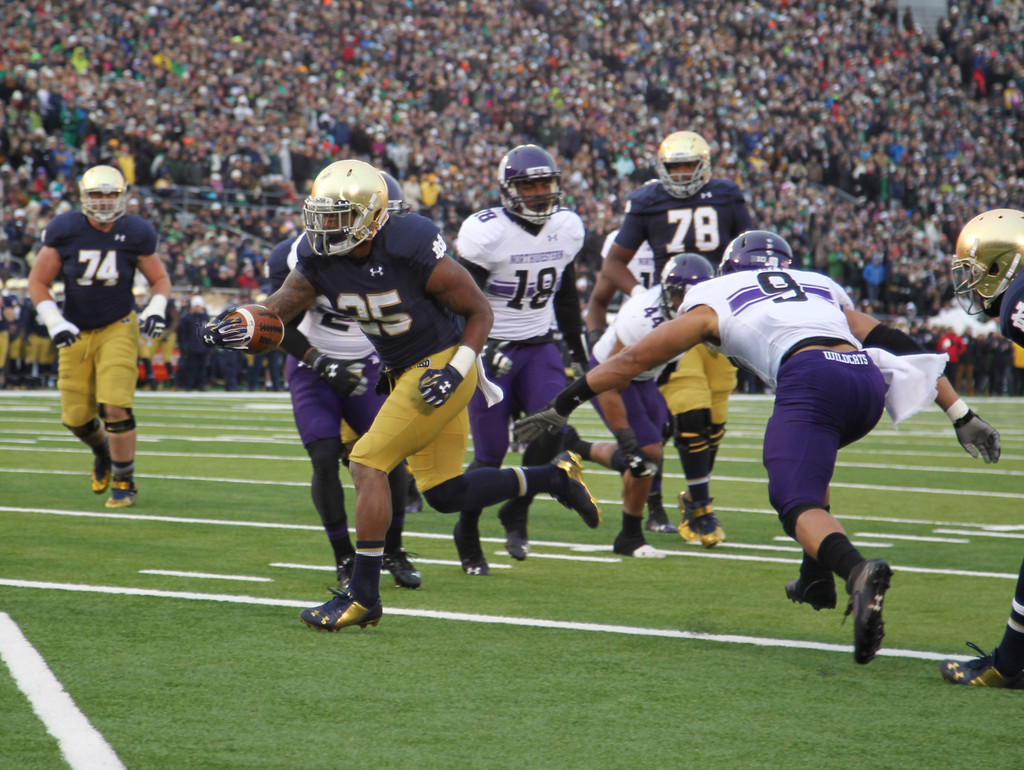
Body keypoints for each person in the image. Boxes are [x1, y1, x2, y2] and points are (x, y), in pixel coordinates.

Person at [515, 229, 1000, 665]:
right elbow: (894, 342)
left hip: (811, 376)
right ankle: (814, 577)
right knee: (812, 465)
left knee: (793, 499)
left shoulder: (713, 296)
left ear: (730, 269)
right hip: (865, 381)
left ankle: (856, 573)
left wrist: (564, 403)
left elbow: (636, 357)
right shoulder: (817, 284)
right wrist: (963, 414)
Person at [202, 159, 601, 632]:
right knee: (446, 494)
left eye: (338, 216)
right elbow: (279, 309)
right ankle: (554, 477)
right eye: (321, 215)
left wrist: (457, 369)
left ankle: (364, 596)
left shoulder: (408, 241)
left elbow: (478, 312)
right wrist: (244, 322)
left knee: (367, 462)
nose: (326, 227)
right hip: (403, 368)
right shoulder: (316, 254)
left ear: (372, 216)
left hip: (442, 363)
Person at [587, 131, 752, 544]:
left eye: (687, 165)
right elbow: (613, 263)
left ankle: (691, 496)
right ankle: (700, 509)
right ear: (661, 168)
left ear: (704, 165)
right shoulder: (648, 202)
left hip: (723, 313)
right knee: (691, 411)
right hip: (678, 314)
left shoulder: (727, 196)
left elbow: (748, 251)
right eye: (673, 166)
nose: (680, 174)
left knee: (714, 418)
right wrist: (640, 295)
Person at [266, 170, 421, 590]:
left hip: (372, 364)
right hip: (313, 366)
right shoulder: (299, 253)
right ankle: (343, 557)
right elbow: (274, 322)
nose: (331, 226)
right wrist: (319, 362)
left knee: (388, 457)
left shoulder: (407, 254)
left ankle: (393, 548)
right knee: (324, 456)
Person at [452, 144, 591, 569]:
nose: (539, 192)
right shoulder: (487, 232)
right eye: (528, 185)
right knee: (490, 453)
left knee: (551, 425)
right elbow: (458, 301)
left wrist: (579, 352)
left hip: (538, 345)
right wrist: (477, 347)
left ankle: (518, 507)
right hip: (490, 351)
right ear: (509, 190)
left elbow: (566, 299)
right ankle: (468, 528)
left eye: (545, 183)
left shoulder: (565, 228)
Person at [26, 164, 171, 507]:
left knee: (115, 407)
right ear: (83, 196)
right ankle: (103, 450)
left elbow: (160, 279)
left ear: (123, 196)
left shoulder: (136, 231)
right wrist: (54, 321)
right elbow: (37, 281)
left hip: (118, 325)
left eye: (111, 194)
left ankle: (124, 480)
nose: (105, 201)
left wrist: (155, 308)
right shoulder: (64, 229)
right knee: (76, 418)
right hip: (75, 330)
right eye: (97, 194)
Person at [575, 253, 716, 558]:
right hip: (612, 374)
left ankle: (573, 447)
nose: (684, 305)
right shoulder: (642, 317)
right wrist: (626, 440)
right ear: (666, 292)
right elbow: (611, 383)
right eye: (679, 295)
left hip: (646, 377)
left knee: (649, 452)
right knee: (645, 453)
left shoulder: (706, 312)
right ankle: (630, 536)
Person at [940, 207, 1024, 687]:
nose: (969, 285)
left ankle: (1010, 663)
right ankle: (1011, 660)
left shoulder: (1017, 299)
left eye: (973, 273)